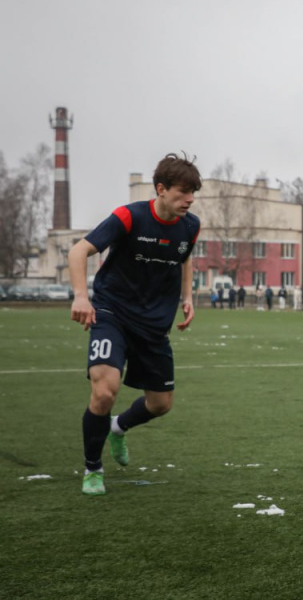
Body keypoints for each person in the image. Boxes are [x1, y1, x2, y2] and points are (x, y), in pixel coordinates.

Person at [68, 153, 202, 496]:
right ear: (161, 189)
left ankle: (118, 427)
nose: (189, 199)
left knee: (161, 404)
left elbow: (184, 258)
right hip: (112, 313)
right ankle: (93, 469)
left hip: (154, 324)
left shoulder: (191, 225)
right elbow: (78, 251)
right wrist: (82, 296)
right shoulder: (129, 216)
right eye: (183, 192)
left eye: (193, 193)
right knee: (104, 390)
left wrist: (188, 296)